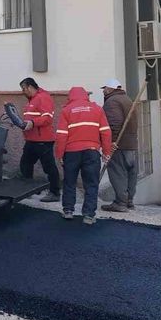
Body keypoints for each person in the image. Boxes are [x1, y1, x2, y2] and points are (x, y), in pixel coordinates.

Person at [54, 87, 112, 225]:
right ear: (86, 96)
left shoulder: (66, 110)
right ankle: (89, 215)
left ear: (71, 97)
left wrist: (60, 154)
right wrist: (106, 152)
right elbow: (106, 132)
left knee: (69, 182)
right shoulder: (97, 109)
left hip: (71, 153)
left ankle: (68, 211)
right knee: (91, 183)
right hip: (91, 152)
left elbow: (61, 135)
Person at [17, 77, 61, 202]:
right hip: (32, 139)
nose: (23, 91)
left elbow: (48, 118)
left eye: (24, 89)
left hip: (43, 140)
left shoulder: (43, 98)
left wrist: (32, 122)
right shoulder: (33, 100)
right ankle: (28, 189)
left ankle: (55, 192)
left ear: (30, 87)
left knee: (49, 167)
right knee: (25, 164)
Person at [100, 79, 138, 213]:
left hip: (120, 144)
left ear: (110, 89)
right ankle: (129, 201)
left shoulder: (112, 102)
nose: (103, 91)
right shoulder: (126, 99)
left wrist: (111, 142)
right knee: (130, 173)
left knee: (117, 173)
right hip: (131, 144)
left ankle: (120, 202)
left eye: (104, 88)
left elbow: (114, 124)